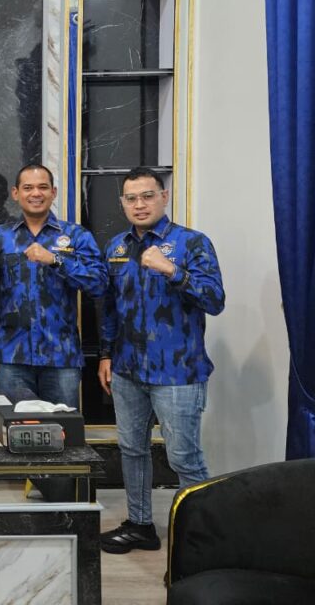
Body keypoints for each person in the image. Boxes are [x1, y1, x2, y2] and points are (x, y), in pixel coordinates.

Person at [98, 167, 225, 554]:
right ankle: (140, 525)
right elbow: (110, 308)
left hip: (178, 371)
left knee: (184, 457)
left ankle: (205, 539)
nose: (140, 204)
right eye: (131, 198)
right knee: (132, 451)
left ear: (164, 197)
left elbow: (215, 300)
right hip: (127, 370)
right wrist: (105, 354)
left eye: (147, 196)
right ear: (122, 203)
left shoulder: (191, 243)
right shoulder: (116, 248)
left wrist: (172, 270)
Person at [0, 163, 107, 407]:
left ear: (53, 192)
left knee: (63, 427)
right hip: (11, 356)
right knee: (15, 426)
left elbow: (98, 284)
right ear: (16, 193)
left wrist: (56, 260)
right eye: (28, 188)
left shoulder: (76, 236)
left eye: (43, 187)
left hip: (61, 356)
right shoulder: (0, 237)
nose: (36, 193)